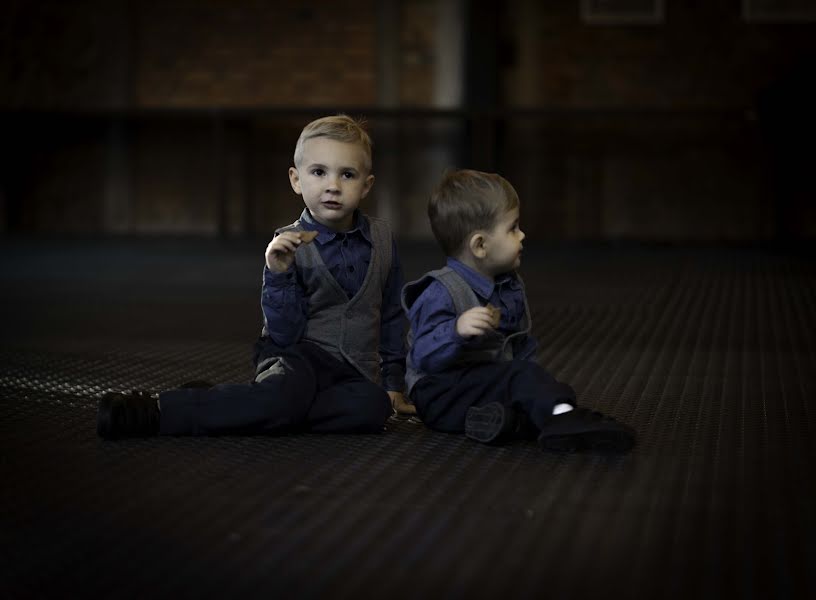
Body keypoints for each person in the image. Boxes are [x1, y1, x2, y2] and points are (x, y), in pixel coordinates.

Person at [97, 114, 415, 439]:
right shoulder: (287, 245)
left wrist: (392, 383)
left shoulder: (381, 239)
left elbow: (391, 316)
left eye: (347, 174)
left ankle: (239, 404)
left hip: (351, 370)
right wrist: (279, 273)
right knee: (285, 398)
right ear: (296, 179)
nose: (333, 185)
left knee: (372, 409)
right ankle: (158, 411)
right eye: (319, 172)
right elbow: (284, 333)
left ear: (366, 185)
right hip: (296, 358)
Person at [401, 169, 635, 452]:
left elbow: (520, 343)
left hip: (480, 388)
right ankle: (563, 419)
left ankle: (508, 421)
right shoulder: (441, 291)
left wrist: (534, 381)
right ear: (480, 245)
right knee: (524, 382)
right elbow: (422, 355)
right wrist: (455, 331)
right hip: (440, 394)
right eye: (512, 228)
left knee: (531, 389)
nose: (522, 235)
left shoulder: (509, 286)